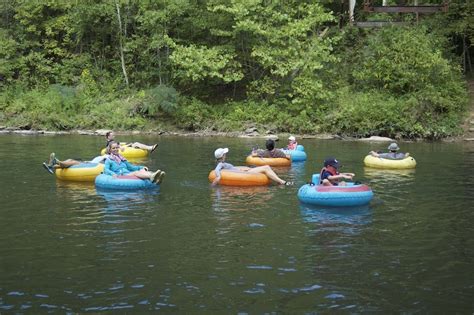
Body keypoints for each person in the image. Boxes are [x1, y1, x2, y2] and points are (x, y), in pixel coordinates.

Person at [212, 148, 293, 186]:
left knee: (266, 167)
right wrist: (218, 176)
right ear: (222, 156)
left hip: (243, 172)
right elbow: (217, 169)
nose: (226, 155)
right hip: (243, 174)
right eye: (225, 154)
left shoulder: (222, 163)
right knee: (266, 167)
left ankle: (279, 181)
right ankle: (282, 182)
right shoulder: (220, 164)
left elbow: (231, 169)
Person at [42, 153, 109, 175]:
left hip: (91, 165)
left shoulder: (109, 158)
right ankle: (53, 164)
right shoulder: (108, 156)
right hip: (90, 163)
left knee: (72, 162)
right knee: (69, 160)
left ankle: (53, 165)